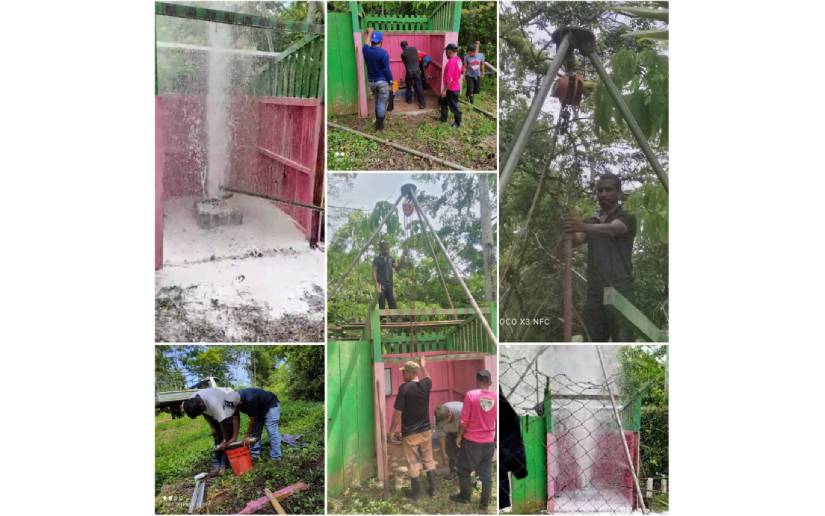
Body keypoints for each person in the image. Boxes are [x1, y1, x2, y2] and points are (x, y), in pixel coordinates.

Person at [562, 173, 637, 342]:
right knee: (591, 340)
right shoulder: (592, 222)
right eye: (600, 190)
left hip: (620, 291)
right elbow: (578, 239)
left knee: (622, 343)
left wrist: (582, 226)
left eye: (608, 190)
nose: (603, 194)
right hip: (595, 294)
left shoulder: (627, 218)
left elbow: (613, 229)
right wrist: (568, 232)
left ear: (618, 194)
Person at [387, 356, 436, 499]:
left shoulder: (404, 388)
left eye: (403, 372)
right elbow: (428, 378)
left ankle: (415, 494)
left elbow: (397, 413)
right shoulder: (425, 385)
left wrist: (391, 431)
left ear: (410, 373)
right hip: (426, 431)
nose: (402, 375)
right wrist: (423, 366)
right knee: (428, 459)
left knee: (413, 462)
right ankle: (433, 489)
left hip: (410, 433)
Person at [451, 369, 496, 509]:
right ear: (490, 382)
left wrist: (459, 436)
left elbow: (464, 421)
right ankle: (484, 504)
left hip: (472, 441)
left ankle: (465, 497)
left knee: (463, 470)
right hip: (489, 441)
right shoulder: (496, 397)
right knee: (486, 473)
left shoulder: (471, 395)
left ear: (477, 381)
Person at [182, 387, 241, 474]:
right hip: (215, 412)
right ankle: (216, 464)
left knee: (227, 438)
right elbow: (205, 414)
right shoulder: (193, 400)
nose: (202, 412)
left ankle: (224, 464)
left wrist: (225, 440)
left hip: (227, 407)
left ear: (202, 404)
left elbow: (222, 421)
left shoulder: (214, 403)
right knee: (217, 437)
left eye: (201, 410)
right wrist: (213, 428)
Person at [238, 388, 282, 462]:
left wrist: (247, 435)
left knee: (272, 431)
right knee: (255, 431)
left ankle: (276, 457)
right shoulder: (232, 401)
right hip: (259, 409)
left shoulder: (249, 399)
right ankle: (255, 455)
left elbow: (252, 421)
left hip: (271, 405)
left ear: (241, 401)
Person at [362, 27, 393, 130]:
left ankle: (377, 122)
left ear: (372, 41)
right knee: (382, 102)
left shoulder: (366, 51)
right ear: (381, 42)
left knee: (377, 100)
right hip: (382, 82)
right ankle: (379, 125)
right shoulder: (383, 53)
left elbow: (366, 44)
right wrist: (391, 81)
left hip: (371, 82)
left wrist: (369, 33)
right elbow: (387, 70)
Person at [434, 400, 463, 480]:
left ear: (449, 414)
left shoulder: (461, 411)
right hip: (451, 431)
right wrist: (444, 453)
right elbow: (441, 436)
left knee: (464, 451)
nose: (443, 424)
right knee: (450, 451)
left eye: (445, 421)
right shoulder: (438, 417)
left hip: (465, 429)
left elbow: (467, 424)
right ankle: (453, 471)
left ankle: (464, 472)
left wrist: (460, 436)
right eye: (441, 422)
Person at [372, 240, 404, 309]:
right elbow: (374, 271)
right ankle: (382, 319)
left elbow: (397, 268)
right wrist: (376, 283)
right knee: (382, 304)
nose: (387, 250)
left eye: (387, 248)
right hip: (381, 285)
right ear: (381, 249)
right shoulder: (377, 259)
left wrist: (401, 262)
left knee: (393, 305)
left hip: (390, 285)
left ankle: (394, 319)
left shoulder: (391, 258)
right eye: (385, 248)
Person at [439, 43, 462, 128]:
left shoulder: (452, 62)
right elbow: (459, 73)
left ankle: (457, 123)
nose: (445, 54)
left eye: (446, 52)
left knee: (454, 107)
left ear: (449, 51)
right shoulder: (458, 59)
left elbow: (450, 79)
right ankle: (443, 118)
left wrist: (444, 90)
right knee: (442, 101)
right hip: (454, 87)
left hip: (451, 89)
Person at [400, 41, 425, 109]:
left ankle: (409, 100)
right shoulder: (414, 49)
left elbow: (406, 63)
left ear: (402, 47)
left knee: (408, 86)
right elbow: (418, 57)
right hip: (417, 71)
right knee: (419, 86)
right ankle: (422, 104)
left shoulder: (402, 54)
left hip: (409, 72)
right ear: (407, 44)